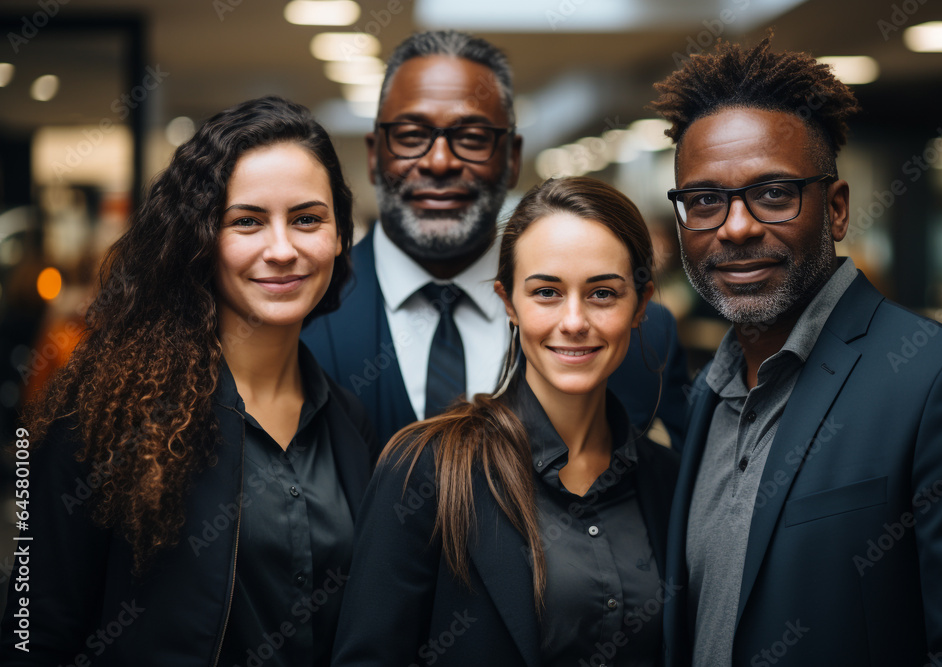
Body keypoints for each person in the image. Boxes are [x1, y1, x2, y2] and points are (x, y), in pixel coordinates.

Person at [650, 36, 942, 666]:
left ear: (836, 210)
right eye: (704, 201)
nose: (736, 227)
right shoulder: (706, 396)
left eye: (774, 193)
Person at [0, 96, 377, 666]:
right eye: (246, 221)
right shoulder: (98, 412)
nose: (282, 249)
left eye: (307, 219)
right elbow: (31, 633)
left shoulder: (348, 422)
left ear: (339, 235)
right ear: (199, 238)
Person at [331, 177, 680, 667]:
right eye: (546, 293)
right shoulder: (428, 469)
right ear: (508, 303)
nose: (575, 321)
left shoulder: (666, 480)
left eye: (603, 293)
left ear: (640, 306)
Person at [301, 30, 690, 450]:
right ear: (376, 155)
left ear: (512, 158)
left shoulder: (640, 338)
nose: (439, 162)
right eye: (412, 135)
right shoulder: (302, 318)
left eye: (472, 138)